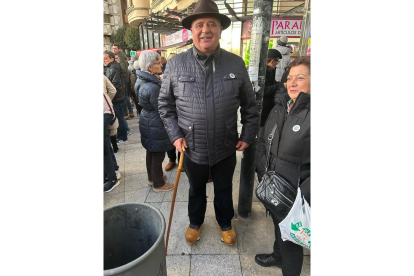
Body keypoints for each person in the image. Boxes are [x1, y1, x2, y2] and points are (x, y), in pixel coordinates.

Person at [158, 0, 259, 245]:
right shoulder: (175, 64)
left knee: (224, 189)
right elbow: (165, 106)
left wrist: (247, 134)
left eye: (211, 24)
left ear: (220, 30)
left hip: (225, 145)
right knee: (196, 189)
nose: (206, 29)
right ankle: (196, 222)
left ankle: (225, 222)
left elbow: (250, 105)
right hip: (192, 147)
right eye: (199, 24)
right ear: (191, 31)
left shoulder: (235, 63)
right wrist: (175, 135)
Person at [255, 56, 311, 276]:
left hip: (296, 196)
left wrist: (302, 197)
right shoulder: (282, 106)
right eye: (289, 78)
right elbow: (264, 142)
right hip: (275, 188)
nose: (292, 83)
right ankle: (277, 256)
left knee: (291, 242)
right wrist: (263, 174)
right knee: (279, 230)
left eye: (300, 77)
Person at [136, 50, 175, 192]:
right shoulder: (152, 86)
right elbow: (162, 107)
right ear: (150, 67)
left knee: (151, 152)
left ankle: (152, 177)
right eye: (158, 63)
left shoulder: (142, 80)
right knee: (158, 155)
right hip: (155, 123)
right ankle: (158, 184)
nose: (161, 64)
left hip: (148, 121)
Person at [259, 49, 286, 137]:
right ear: (272, 61)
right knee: (261, 131)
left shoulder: (270, 70)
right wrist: (280, 85)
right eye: (277, 62)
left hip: (267, 107)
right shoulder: (263, 71)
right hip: (263, 108)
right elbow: (264, 90)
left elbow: (272, 84)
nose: (277, 64)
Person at [103, 50, 129, 144]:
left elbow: (116, 86)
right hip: (117, 97)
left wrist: (108, 99)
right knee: (119, 117)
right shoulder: (111, 67)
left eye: (105, 58)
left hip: (117, 98)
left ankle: (123, 136)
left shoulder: (114, 68)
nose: (103, 60)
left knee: (119, 118)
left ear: (111, 59)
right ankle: (122, 134)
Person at [103, 75, 122, 193]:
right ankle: (112, 172)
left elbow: (107, 106)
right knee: (106, 148)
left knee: (104, 150)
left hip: (105, 114)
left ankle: (112, 178)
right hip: (105, 114)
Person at [113, 44, 134, 120]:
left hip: (123, 80)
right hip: (125, 80)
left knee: (124, 97)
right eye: (113, 48)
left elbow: (123, 69)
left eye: (115, 48)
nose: (113, 50)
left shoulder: (120, 57)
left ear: (119, 49)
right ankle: (130, 112)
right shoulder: (122, 56)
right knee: (126, 97)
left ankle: (126, 114)